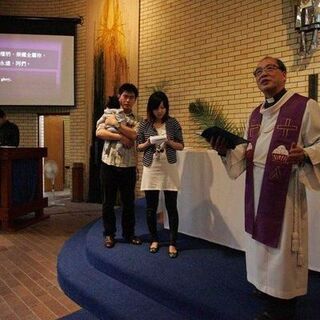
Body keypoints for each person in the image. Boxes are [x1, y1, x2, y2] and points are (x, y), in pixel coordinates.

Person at [211, 56, 320, 320]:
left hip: (285, 192)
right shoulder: (255, 114)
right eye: (258, 71)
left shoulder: (304, 106)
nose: (263, 74)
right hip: (257, 189)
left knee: (282, 248)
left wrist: (305, 153)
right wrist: (225, 150)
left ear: (284, 75)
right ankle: (265, 288)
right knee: (260, 243)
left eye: (270, 68)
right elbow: (250, 152)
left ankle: (282, 306)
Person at [137, 91, 184, 258]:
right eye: (156, 108)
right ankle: (154, 239)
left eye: (163, 107)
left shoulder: (172, 123)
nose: (160, 111)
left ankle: (172, 243)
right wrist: (149, 142)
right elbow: (138, 147)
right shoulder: (144, 124)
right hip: (152, 168)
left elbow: (181, 146)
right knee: (151, 207)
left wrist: (169, 142)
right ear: (151, 108)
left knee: (172, 207)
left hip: (169, 167)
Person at [96, 83, 142, 248]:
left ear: (135, 100)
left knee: (128, 202)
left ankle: (129, 234)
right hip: (108, 164)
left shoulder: (138, 120)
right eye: (125, 96)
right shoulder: (109, 113)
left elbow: (135, 135)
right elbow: (99, 132)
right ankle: (109, 234)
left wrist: (116, 125)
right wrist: (120, 137)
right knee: (108, 202)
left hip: (128, 166)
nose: (128, 100)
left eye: (131, 97)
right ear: (119, 96)